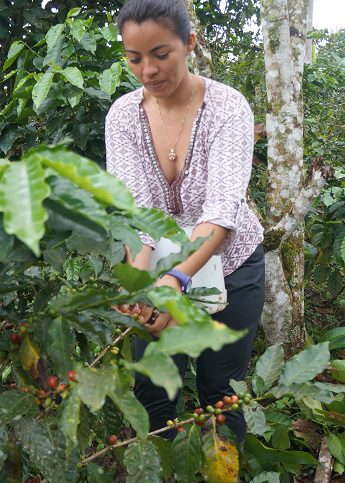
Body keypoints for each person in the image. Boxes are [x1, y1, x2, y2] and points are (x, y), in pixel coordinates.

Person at [105, 0, 265, 444]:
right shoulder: (122, 116)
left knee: (221, 392)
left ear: (189, 44)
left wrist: (176, 280)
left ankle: (223, 469)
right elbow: (136, 212)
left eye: (161, 54)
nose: (148, 71)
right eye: (134, 58)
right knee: (154, 390)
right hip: (158, 272)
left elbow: (221, 210)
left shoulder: (228, 108)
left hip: (231, 265)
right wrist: (141, 283)